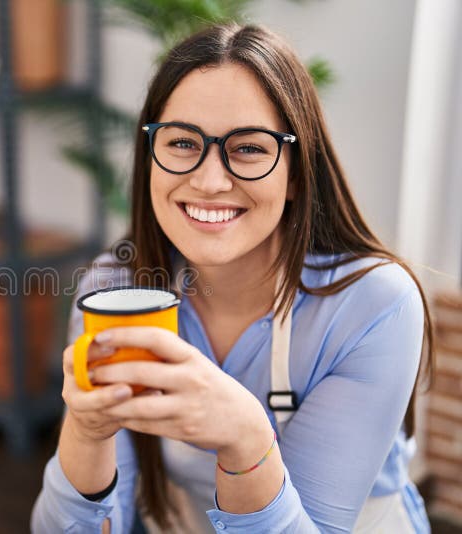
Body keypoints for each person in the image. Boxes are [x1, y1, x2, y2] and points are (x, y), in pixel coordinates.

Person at [30, 23, 434, 533]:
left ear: (296, 173)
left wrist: (246, 438)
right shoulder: (112, 291)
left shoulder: (373, 304)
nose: (209, 180)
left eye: (247, 148)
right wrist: (88, 433)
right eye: (181, 142)